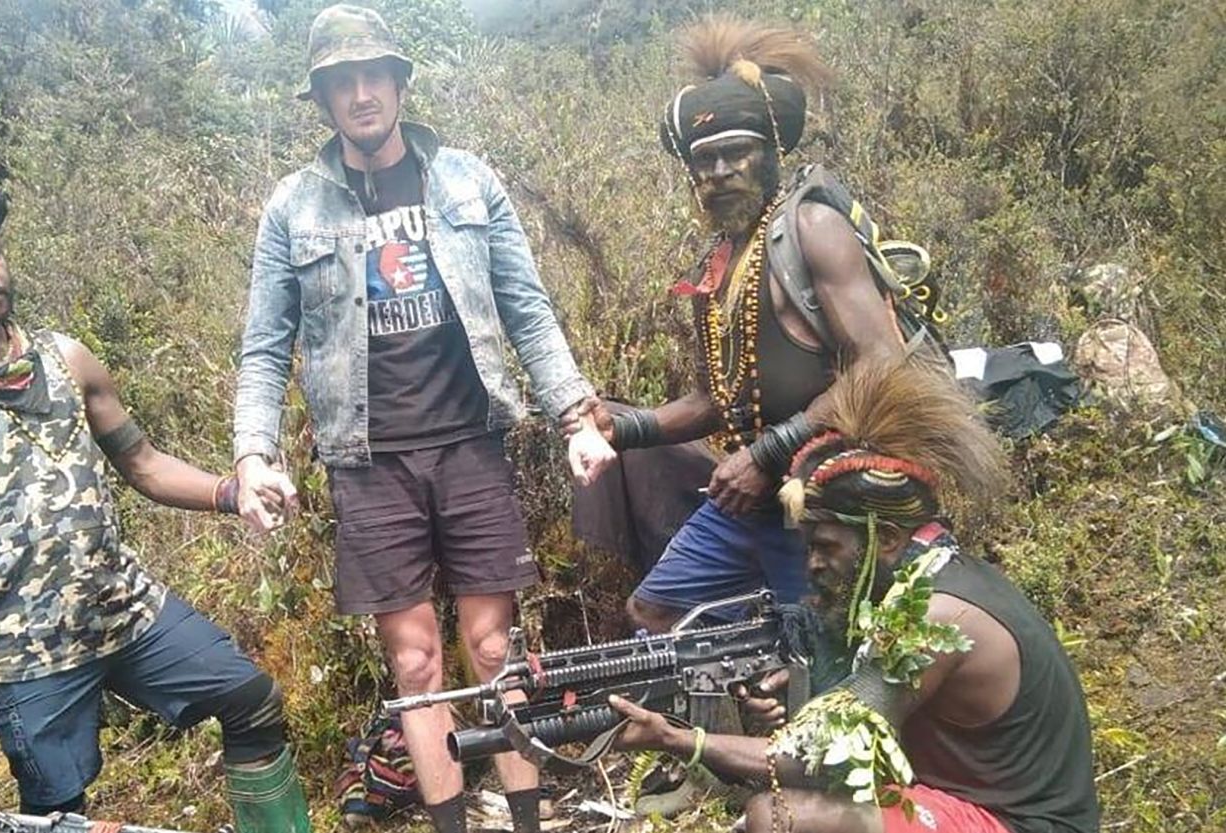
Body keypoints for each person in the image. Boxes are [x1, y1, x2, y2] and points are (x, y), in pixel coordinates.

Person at [0, 138, 310, 831]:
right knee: (56, 813)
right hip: (21, 649)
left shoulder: (65, 355)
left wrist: (234, 491)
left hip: (123, 609)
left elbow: (145, 464)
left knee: (251, 697)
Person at [230, 6, 610, 831]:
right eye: (341, 82)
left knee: (495, 650)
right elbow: (264, 346)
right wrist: (253, 453)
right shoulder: (292, 207)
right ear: (323, 99)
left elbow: (527, 310)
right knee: (414, 660)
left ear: (400, 84)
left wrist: (576, 413)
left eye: (374, 76)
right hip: (368, 460)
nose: (360, 94)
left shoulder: (468, 180)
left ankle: (526, 819)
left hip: (469, 442)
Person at [608, 356, 1101, 833]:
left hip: (1017, 825)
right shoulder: (936, 578)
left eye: (824, 546)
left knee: (774, 817)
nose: (813, 564)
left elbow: (817, 757)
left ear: (885, 538)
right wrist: (795, 691)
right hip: (962, 800)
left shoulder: (932, 616)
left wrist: (678, 739)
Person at [572, 16, 905, 632]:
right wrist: (625, 427)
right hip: (746, 495)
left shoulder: (812, 228)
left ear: (769, 154)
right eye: (704, 160)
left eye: (735, 153)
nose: (718, 172)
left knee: (825, 650)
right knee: (654, 612)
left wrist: (767, 454)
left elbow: (883, 361)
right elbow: (713, 400)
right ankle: (747, 685)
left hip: (824, 494)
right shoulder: (719, 262)